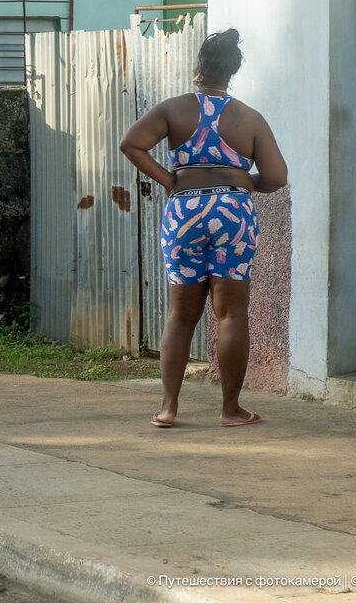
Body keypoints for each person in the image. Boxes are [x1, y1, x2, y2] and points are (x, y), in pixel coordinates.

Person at [119, 28, 287, 427]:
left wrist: (169, 180)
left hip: (184, 212)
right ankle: (230, 410)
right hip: (234, 213)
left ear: (198, 67)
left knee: (180, 315)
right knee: (232, 314)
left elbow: (131, 143)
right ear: (232, 72)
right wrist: (243, 184)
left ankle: (168, 408)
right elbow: (277, 177)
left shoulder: (173, 109)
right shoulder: (250, 118)